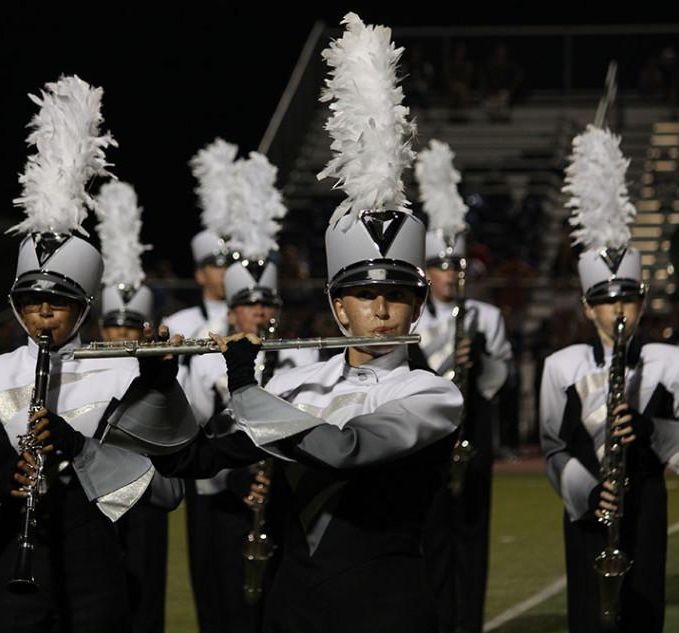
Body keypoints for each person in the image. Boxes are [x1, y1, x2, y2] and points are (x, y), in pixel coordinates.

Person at [117, 14, 462, 631]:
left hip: (391, 611)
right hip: (292, 609)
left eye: (396, 296)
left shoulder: (432, 395)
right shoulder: (301, 389)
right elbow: (187, 461)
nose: (380, 311)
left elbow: (345, 448)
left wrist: (248, 388)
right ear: (337, 307)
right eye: (363, 296)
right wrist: (160, 383)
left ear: (417, 305)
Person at [0, 76, 194, 633]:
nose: (44, 313)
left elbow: (168, 492)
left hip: (99, 585)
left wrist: (84, 450)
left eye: (59, 301)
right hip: (9, 587)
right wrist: (0, 487)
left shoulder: (124, 374)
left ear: (85, 304)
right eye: (32, 300)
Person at [540, 124, 679, 633]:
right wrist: (589, 494)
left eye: (628, 299)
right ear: (589, 308)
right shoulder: (560, 366)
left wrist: (648, 429)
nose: (619, 309)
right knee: (588, 617)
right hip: (587, 509)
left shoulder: (670, 360)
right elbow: (552, 447)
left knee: (643, 611)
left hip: (647, 506)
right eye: (607, 300)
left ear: (641, 301)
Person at [182, 150, 316, 633]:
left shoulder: (303, 358)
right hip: (222, 497)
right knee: (224, 603)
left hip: (280, 494)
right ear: (233, 310)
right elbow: (194, 428)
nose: (258, 314)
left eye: (267, 304)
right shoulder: (201, 358)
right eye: (248, 305)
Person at [413, 139, 513, 633]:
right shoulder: (413, 321)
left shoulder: (486, 316)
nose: (451, 275)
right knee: (430, 539)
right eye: (441, 267)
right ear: (426, 272)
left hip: (474, 435)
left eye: (456, 266)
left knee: (472, 535)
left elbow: (499, 381)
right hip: (429, 440)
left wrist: (479, 358)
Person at [94, 180, 175, 633]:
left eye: (130, 329)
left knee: (146, 598)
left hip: (145, 493)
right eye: (113, 328)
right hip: (97, 493)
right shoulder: (83, 370)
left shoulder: (155, 373)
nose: (121, 337)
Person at [162, 138, 238, 340]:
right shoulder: (178, 325)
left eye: (230, 264)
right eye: (216, 266)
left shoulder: (250, 321)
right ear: (199, 275)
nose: (225, 272)